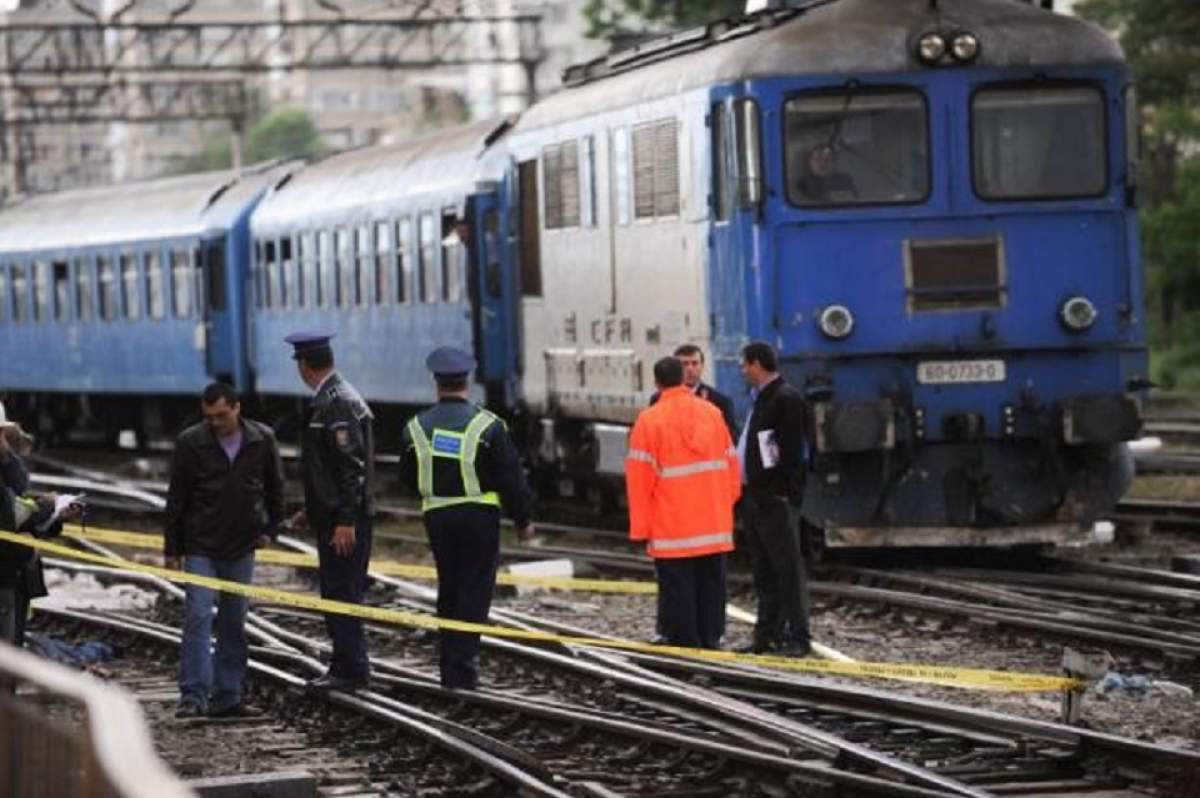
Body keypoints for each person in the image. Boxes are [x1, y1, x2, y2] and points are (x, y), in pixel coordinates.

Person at [399, 346, 534, 689]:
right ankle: (464, 668)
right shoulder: (488, 425)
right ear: (467, 382)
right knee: (474, 590)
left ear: (436, 382)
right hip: (478, 517)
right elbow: (511, 478)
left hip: (437, 517)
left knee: (450, 586)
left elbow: (405, 478)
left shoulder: (416, 427)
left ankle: (449, 667)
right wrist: (523, 520)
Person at [163, 383, 285, 718]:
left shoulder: (262, 440)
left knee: (234, 621)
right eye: (209, 417)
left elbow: (276, 489)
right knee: (198, 616)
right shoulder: (191, 442)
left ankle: (228, 695)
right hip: (200, 543)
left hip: (242, 545)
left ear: (236, 408)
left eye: (221, 415)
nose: (216, 423)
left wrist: (271, 530)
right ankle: (193, 695)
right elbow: (177, 497)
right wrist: (172, 548)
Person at [627, 357, 740, 650]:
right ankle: (711, 639)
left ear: (657, 383)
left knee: (679, 589)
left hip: (672, 526)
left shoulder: (649, 420)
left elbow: (639, 480)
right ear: (682, 378)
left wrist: (641, 528)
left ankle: (685, 645)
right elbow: (731, 465)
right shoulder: (712, 414)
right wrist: (724, 504)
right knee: (711, 585)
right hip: (713, 523)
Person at [287, 331, 375, 691]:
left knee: (341, 591)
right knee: (340, 590)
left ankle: (351, 669)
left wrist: (344, 519)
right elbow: (330, 468)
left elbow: (349, 467)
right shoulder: (337, 397)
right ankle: (347, 664)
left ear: (305, 365)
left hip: (345, 522)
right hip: (337, 515)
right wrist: (313, 509)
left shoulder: (334, 403)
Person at [737, 341, 812, 656]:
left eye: (744, 365)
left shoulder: (785, 399)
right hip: (756, 497)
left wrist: (783, 492)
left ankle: (798, 636)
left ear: (756, 364)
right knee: (764, 570)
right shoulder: (764, 399)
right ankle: (766, 635)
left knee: (787, 570)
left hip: (774, 499)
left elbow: (794, 452)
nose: (742, 371)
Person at [650, 344, 737, 439]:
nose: (690, 369)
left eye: (695, 363)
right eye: (684, 364)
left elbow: (731, 438)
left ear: (702, 366)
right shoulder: (658, 399)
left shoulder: (720, 401)